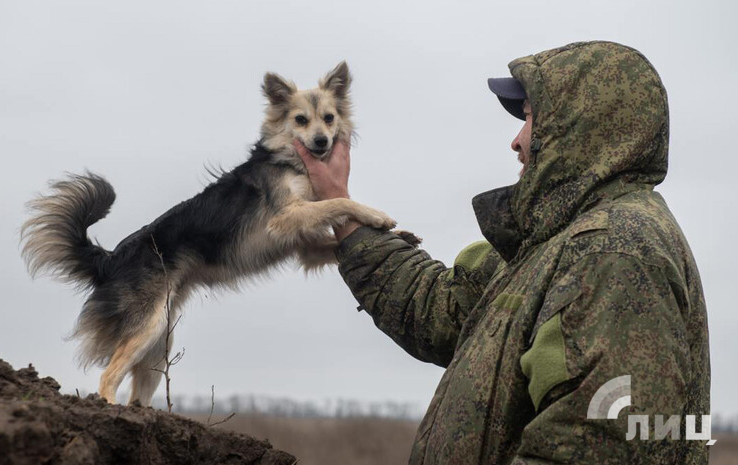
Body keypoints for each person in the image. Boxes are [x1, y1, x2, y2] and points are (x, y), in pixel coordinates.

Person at [293, 41, 710, 464]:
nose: (517, 140)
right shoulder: (552, 244)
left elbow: (590, 448)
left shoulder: (614, 253)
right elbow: (437, 309)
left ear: (578, 130)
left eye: (529, 118)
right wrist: (340, 206)